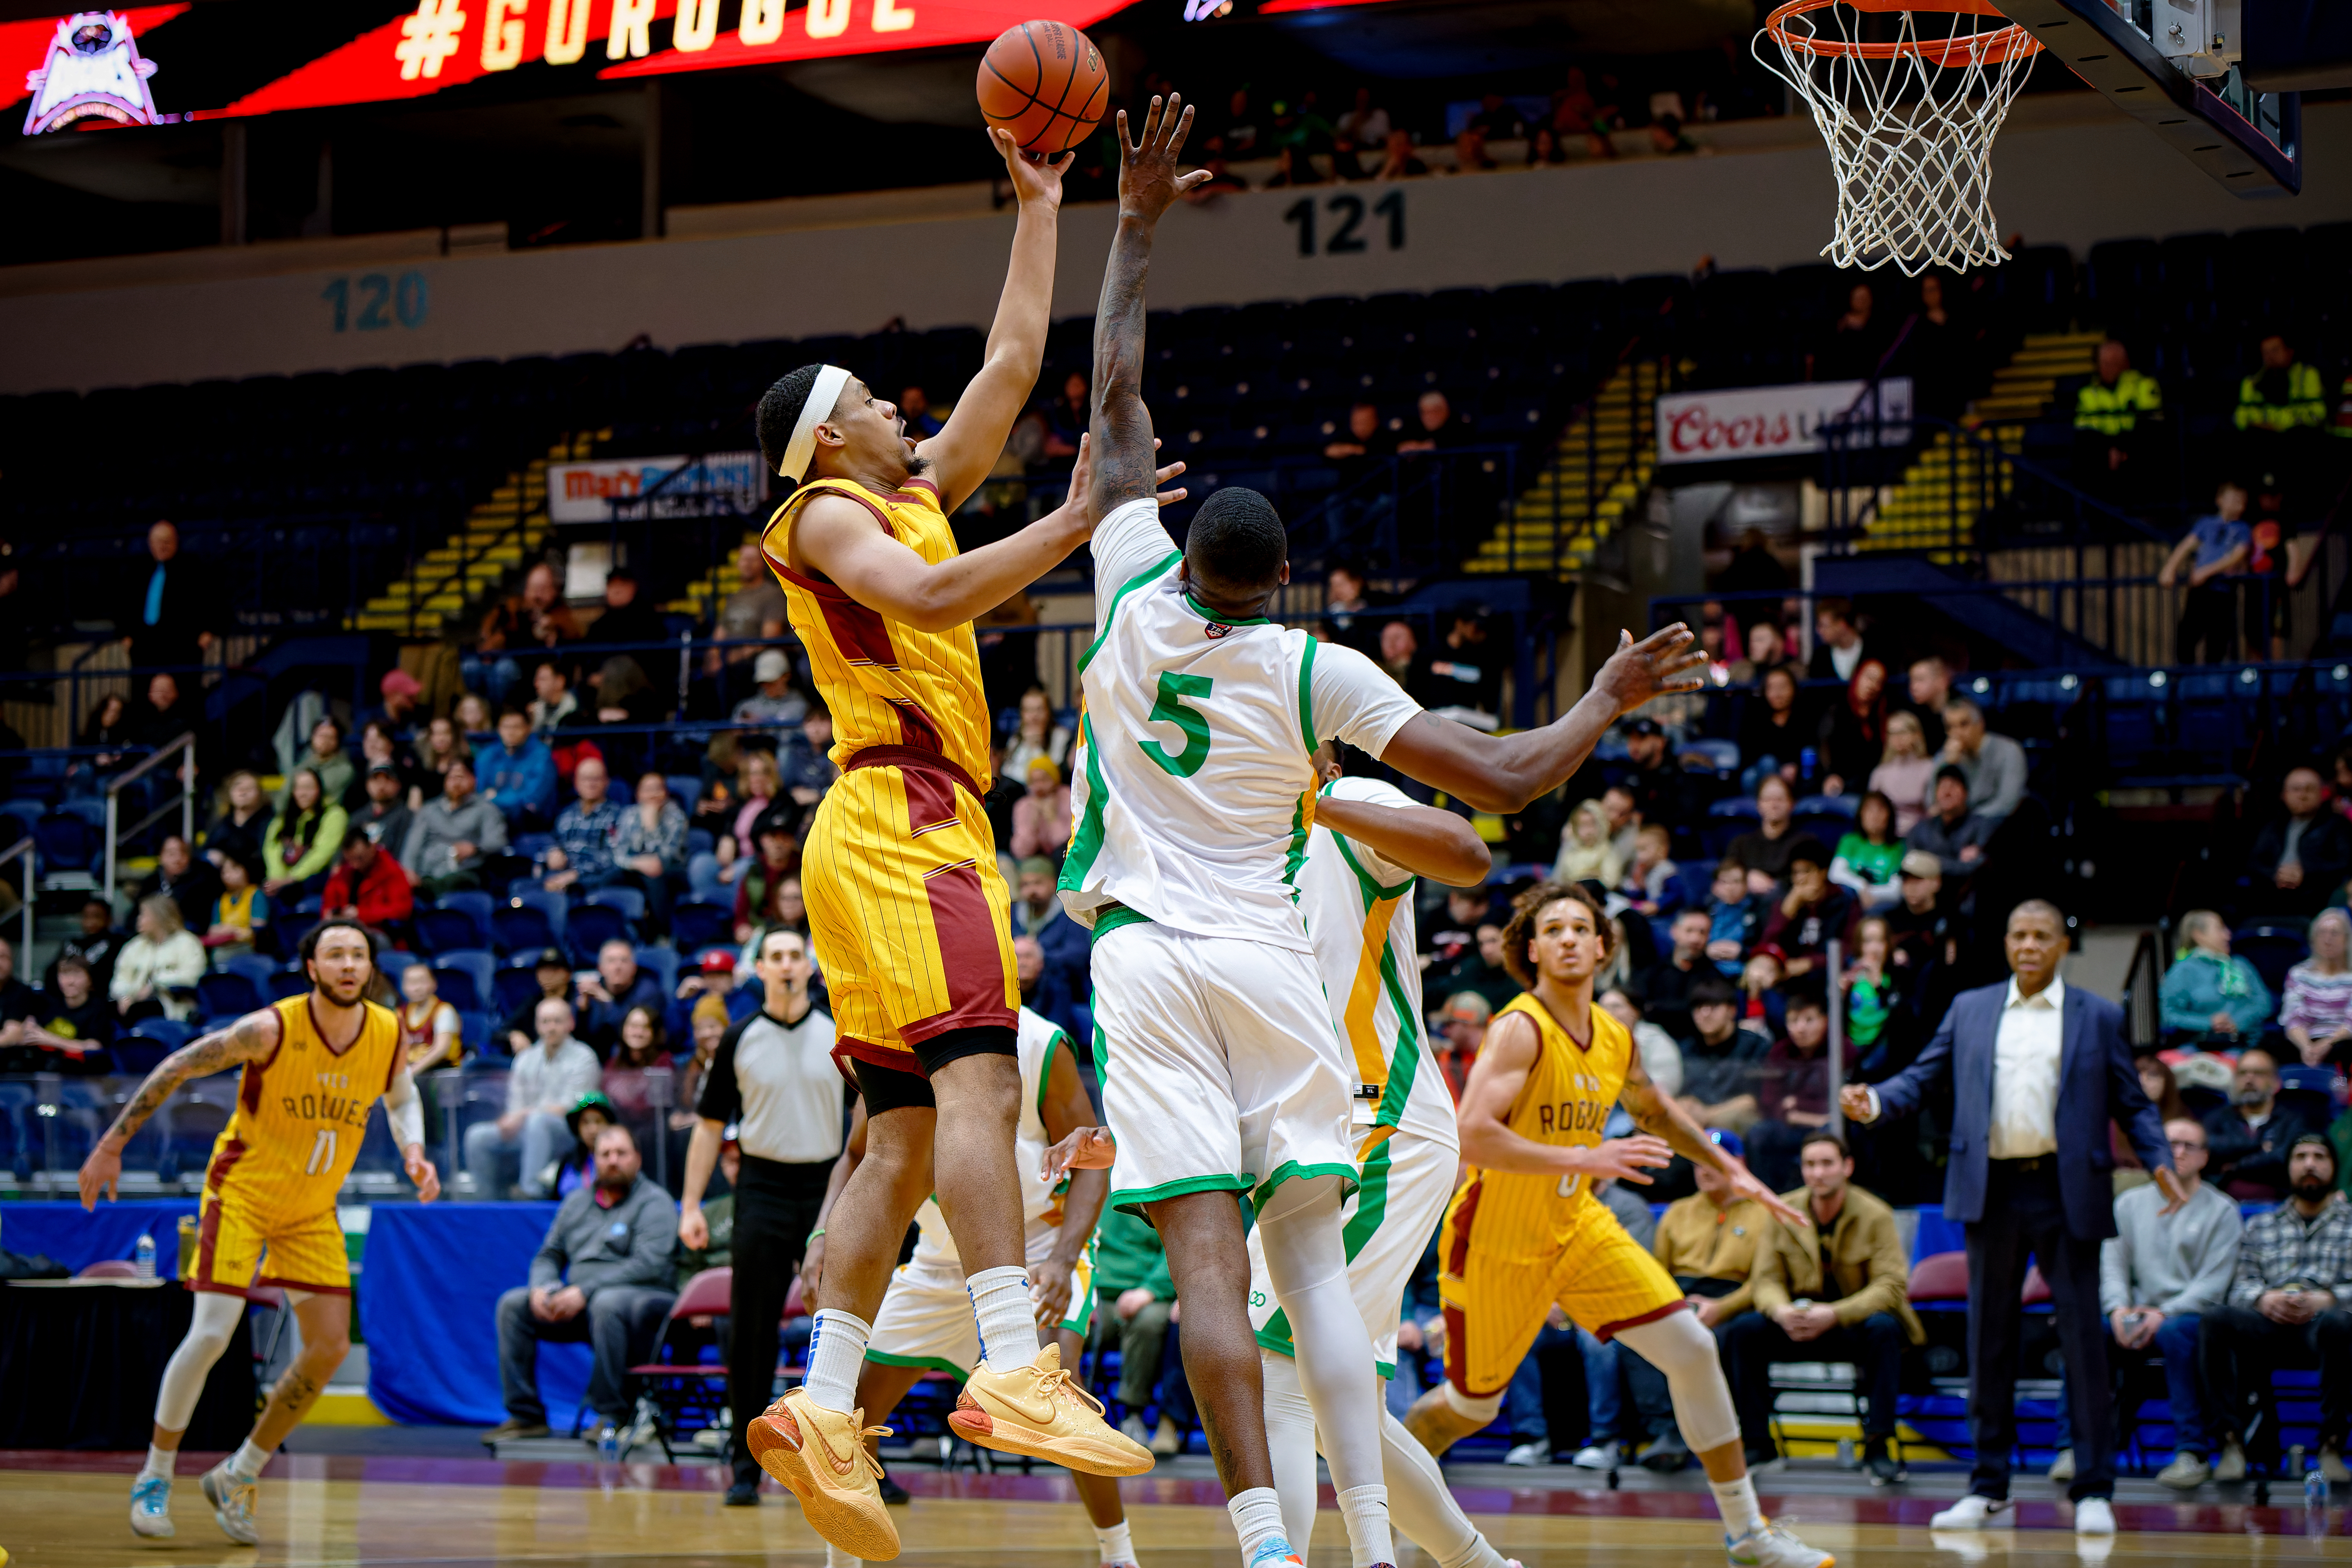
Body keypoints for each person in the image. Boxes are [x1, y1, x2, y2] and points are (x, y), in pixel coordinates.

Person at [1058, 99, 1709, 1568]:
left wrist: (1137, 223)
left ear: (1175, 547)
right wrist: (1601, 693)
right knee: (1314, 1280)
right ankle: (1367, 1541)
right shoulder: (1313, 671)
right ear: (1281, 577)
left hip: (1143, 958)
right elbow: (1501, 781)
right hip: (1267, 961)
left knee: (1210, 1271)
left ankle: (1269, 1553)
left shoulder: (1118, 582)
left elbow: (1111, 400)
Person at [738, 111, 1151, 1555]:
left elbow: (1011, 369)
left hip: (893, 826)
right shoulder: (819, 516)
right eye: (868, 398)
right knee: (981, 1084)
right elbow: (924, 605)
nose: (900, 409)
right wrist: (1077, 523)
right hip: (902, 814)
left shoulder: (908, 492)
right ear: (823, 434)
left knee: (902, 1131)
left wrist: (1038, 199)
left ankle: (827, 1401)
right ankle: (1012, 1366)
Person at [1399, 883, 1827, 1567]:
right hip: (1497, 1237)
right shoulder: (1519, 1027)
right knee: (1471, 1408)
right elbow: (1471, 1136)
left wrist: (1730, 1167)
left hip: (1577, 1223)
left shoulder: (1617, 1036)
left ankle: (1750, 1535)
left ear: (1603, 946)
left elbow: (1654, 1111)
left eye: (1581, 928)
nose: (1569, 938)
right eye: (1554, 929)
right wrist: (1584, 1155)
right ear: (1531, 949)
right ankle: (1391, 1498)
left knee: (1692, 1348)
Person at [78, 921, 435, 1545]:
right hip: (242, 1193)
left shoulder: (387, 1031)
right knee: (214, 1333)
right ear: (313, 969)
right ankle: (155, 1474)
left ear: (370, 966)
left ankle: (240, 1472)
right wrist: (113, 1145)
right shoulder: (271, 1029)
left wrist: (415, 1150)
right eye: (335, 955)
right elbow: (180, 1065)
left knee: (327, 1348)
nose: (349, 964)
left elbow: (402, 1097)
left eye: (359, 954)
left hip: (311, 1207)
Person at [1842, 900, 2180, 1536]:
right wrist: (1878, 1102)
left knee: (2084, 1342)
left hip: (2067, 1188)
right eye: (2019, 934)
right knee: (1987, 1340)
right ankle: (1987, 1487)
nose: (2029, 945)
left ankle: (2093, 1488)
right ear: (2006, 943)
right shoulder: (1971, 1008)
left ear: (2060, 946)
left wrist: (2160, 1159)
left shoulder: (2099, 1015)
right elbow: (1922, 1076)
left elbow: (2133, 1103)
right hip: (1990, 1189)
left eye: (2042, 936)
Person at [827, 1004, 1147, 1565]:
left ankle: (1119, 1554)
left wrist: (1065, 1256)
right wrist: (817, 1240)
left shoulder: (1043, 1044)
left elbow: (1091, 1165)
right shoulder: (894, 1040)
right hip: (939, 1258)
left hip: (1038, 1250)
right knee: (854, 1408)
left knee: (1061, 1396)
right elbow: (857, 1157)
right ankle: (845, 1559)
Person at [673, 928, 844, 1502]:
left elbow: (872, 1117)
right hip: (763, 1188)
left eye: (796, 955)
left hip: (828, 1188)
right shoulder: (740, 1038)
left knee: (846, 1325)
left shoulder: (836, 1032)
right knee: (751, 1332)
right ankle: (746, 1469)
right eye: (777, 958)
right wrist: (692, 1205)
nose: (788, 965)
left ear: (810, 966)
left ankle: (854, 1461)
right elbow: (709, 1127)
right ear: (761, 970)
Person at [2041, 1116, 2241, 1490]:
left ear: (2205, 1157)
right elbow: (2111, 1267)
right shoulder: (2129, 1204)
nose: (2177, 1153)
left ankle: (2191, 1453)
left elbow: (2215, 1283)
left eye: (2188, 1146)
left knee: (2180, 1335)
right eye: (2169, 1145)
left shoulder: (2222, 1210)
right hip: (2133, 1314)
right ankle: (2074, 1448)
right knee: (2084, 1330)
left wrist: (2164, 1313)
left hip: (2187, 1317)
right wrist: (2117, 1309)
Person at [1726, 1132, 1921, 1483]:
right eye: (1810, 1165)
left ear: (1847, 1167)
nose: (1818, 1173)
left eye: (1827, 1164)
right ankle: (1757, 1443)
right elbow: (1766, 1280)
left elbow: (1891, 1286)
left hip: (1850, 1323)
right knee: (1744, 1331)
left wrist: (1835, 1314)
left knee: (1885, 1330)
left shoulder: (1876, 1214)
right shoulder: (1782, 1210)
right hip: (1798, 1322)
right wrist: (1783, 1312)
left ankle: (1879, 1445)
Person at [483, 1124, 678, 1446]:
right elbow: (550, 1254)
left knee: (607, 1303)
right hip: (582, 1304)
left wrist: (584, 1292)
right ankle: (526, 1416)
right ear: (594, 1160)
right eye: (605, 1154)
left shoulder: (655, 1202)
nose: (613, 1161)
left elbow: (649, 1265)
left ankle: (612, 1414)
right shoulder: (576, 1203)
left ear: (638, 1159)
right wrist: (542, 1287)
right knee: (513, 1305)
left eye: (621, 1154)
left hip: (644, 1302)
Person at [2200, 1134, 2352, 1482]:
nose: (2310, 1164)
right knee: (2216, 1320)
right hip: (2270, 1323)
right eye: (2301, 1157)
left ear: (2333, 1168)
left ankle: (2331, 1446)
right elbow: (2239, 1286)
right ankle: (2230, 1442)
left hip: (2324, 1329)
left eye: (2319, 1157)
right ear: (2288, 1169)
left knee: (2340, 1324)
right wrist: (2263, 1299)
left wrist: (2330, 1299)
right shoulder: (2261, 1225)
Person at [464, 998, 602, 1198]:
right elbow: (516, 1104)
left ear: (570, 1023)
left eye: (557, 1021)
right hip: (527, 1129)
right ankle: (487, 1198)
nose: (551, 1028)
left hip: (568, 1131)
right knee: (477, 1136)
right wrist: (511, 1120)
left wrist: (521, 1115)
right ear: (537, 1025)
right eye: (545, 1022)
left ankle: (530, 1192)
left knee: (538, 1123)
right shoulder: (525, 1059)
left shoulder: (585, 1057)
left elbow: (573, 1107)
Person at [1745, 989, 1844, 1191]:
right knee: (1759, 1134)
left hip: (1826, 1128)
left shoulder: (1842, 1050)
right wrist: (1805, 1115)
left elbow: (1839, 1102)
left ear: (1825, 1021)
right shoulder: (1779, 1052)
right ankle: (1764, 1195)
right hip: (1789, 1127)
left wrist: (1797, 1108)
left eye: (1809, 1020)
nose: (1801, 1028)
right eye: (1794, 1021)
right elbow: (1771, 1103)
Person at [2203, 1046, 2318, 1202]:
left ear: (2276, 1083)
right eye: (2243, 1073)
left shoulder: (2292, 1121)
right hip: (2221, 1206)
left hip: (2278, 1207)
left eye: (2259, 1073)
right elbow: (2209, 1149)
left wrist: (2234, 1167)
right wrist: (2256, 1146)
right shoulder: (2218, 1118)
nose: (2249, 1080)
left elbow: (2282, 1159)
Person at [2161, 480, 2254, 665]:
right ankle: (2187, 680)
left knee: (2218, 638)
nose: (2240, 504)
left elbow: (2238, 555)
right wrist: (2169, 568)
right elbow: (2186, 546)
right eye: (2235, 499)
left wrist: (2207, 571)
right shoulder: (2206, 524)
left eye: (2243, 500)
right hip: (2199, 590)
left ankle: (2213, 681)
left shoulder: (2243, 529)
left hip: (2223, 591)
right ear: (2220, 500)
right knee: (2188, 634)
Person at [2249, 766, 2352, 917]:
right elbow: (2253, 862)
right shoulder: (2273, 827)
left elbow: (2346, 862)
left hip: (2318, 898)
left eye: (2309, 789)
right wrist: (2276, 874)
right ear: (2284, 794)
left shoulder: (2337, 825)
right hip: (2272, 896)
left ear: (2321, 794)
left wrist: (2306, 872)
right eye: (2296, 789)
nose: (2302, 795)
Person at [472, 560, 582, 702]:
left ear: (554, 592)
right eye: (533, 589)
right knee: (471, 667)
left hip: (534, 675)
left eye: (543, 589)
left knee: (505, 669)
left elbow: (573, 638)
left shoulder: (562, 616)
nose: (537, 595)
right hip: (510, 668)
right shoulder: (514, 611)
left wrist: (553, 628)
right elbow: (491, 638)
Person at [2159, 909, 2273, 1046]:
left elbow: (2263, 1003)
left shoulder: (2241, 965)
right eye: (2220, 929)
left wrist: (2236, 1022)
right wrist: (2209, 1023)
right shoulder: (2183, 971)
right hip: (2198, 1048)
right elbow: (2170, 1015)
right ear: (2199, 935)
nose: (2228, 935)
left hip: (2245, 1045)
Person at [400, 755, 509, 898]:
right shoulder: (429, 810)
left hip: (465, 872)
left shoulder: (486, 810)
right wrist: (408, 872)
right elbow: (412, 847)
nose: (456, 783)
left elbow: (498, 842)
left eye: (461, 777)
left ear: (474, 780)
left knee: (458, 883)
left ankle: (428, 892)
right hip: (427, 872)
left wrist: (475, 848)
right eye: (452, 778)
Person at [120, 519, 218, 671]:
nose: (163, 546)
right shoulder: (137, 572)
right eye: (158, 542)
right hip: (145, 647)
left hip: (183, 647)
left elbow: (210, 601)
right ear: (150, 543)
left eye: (167, 542)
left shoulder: (194, 570)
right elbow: (125, 605)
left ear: (176, 542)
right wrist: (126, 636)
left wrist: (208, 632)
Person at [2073, 339, 2161, 499]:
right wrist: (2109, 450)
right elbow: (2085, 432)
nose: (2108, 368)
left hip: (2137, 454)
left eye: (2114, 362)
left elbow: (2151, 426)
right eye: (2104, 363)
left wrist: (2123, 449)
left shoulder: (2144, 384)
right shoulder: (2087, 393)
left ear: (2126, 363)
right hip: (2103, 458)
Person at [1759, 842, 1854, 981]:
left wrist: (1811, 963)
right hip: (1787, 977)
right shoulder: (1785, 901)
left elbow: (1849, 948)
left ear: (1823, 872)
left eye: (1807, 871)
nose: (1801, 879)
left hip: (1829, 976)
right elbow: (1768, 946)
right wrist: (1786, 914)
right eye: (1796, 873)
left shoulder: (1844, 901)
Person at [111, 894, 205, 1024]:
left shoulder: (187, 943)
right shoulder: (135, 946)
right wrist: (125, 996)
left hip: (172, 1005)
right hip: (135, 1002)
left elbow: (191, 977)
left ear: (159, 917)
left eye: (143, 915)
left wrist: (155, 986)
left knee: (139, 1011)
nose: (139, 920)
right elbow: (121, 978)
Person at [544, 756, 625, 894]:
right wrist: (553, 853)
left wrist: (576, 875)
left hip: (595, 879)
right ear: (576, 783)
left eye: (596, 779)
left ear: (607, 782)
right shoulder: (566, 814)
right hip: (563, 874)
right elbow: (554, 842)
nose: (591, 784)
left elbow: (615, 858)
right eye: (585, 779)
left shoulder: (618, 816)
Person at [1013, 855, 1090, 1000]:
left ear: (1053, 883)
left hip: (1061, 995)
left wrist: (1038, 957)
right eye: (1026, 885)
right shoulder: (1011, 913)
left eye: (1038, 883)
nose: (1032, 890)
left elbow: (1078, 954)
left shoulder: (1070, 914)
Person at [262, 766, 346, 899]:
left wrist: (292, 878)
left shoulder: (334, 815)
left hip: (315, 879)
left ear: (319, 789)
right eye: (299, 788)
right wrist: (277, 879)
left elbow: (322, 853)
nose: (303, 794)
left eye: (309, 788)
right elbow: (271, 849)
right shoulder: (282, 819)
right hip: (282, 881)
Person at [2284, 907, 2352, 1067]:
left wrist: (2327, 1045)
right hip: (2305, 1040)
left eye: (2335, 933)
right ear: (2313, 940)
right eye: (2322, 933)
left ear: (2347, 939)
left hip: (2342, 1040)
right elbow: (2294, 1018)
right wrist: (2307, 1047)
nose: (2328, 939)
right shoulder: (2298, 974)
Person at [1939, 700, 2026, 824]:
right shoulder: (1947, 755)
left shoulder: (2008, 750)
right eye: (1950, 727)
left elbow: (2008, 802)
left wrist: (1969, 821)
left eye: (1964, 725)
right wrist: (1947, 765)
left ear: (1980, 724)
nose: (1956, 733)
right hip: (1959, 826)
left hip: (2000, 825)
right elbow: (1932, 803)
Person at [576, 939, 664, 1059]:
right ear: (601, 969)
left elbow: (634, 1034)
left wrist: (608, 1002)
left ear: (634, 968)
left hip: (638, 1058)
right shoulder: (593, 990)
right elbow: (585, 1037)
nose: (618, 967)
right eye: (611, 961)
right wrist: (583, 1012)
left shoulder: (650, 992)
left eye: (624, 961)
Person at [1906, 766, 1991, 885]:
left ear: (1966, 793)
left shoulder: (1981, 826)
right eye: (1942, 787)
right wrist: (1955, 863)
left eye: (1953, 786)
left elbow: (1979, 867)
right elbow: (1910, 865)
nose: (1947, 793)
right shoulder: (1922, 829)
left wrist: (1930, 862)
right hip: (1929, 894)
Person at [1726, 777, 1806, 897]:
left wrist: (1773, 885)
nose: (1774, 805)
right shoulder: (1741, 844)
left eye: (1780, 800)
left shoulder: (1805, 844)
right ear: (1759, 805)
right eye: (1768, 800)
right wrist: (1746, 877)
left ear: (1791, 804)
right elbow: (1726, 874)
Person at [1817, 659, 1886, 796]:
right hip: (1837, 781)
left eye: (1879, 682)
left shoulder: (1881, 718)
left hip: (1868, 783)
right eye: (1869, 678)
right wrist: (1830, 775)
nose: (1872, 685)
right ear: (1858, 677)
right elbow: (1824, 744)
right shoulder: (1838, 711)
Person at [321, 830, 413, 935]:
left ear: (372, 848)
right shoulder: (345, 871)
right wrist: (331, 913)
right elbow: (330, 900)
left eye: (360, 858)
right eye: (351, 860)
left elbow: (403, 910)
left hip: (379, 932)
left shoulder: (390, 870)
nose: (356, 865)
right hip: (344, 930)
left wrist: (361, 913)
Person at [481, 707, 558, 829]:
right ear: (499, 730)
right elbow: (481, 793)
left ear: (528, 729)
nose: (511, 732)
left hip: (530, 824)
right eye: (506, 727)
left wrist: (496, 797)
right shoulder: (488, 755)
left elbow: (532, 802)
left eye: (517, 727)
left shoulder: (541, 755)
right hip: (492, 819)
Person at [716, 541, 790, 664]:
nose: (747, 564)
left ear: (762, 563)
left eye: (752, 560)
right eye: (744, 559)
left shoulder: (773, 594)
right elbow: (719, 635)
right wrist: (714, 657)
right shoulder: (734, 597)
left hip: (752, 662)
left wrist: (731, 659)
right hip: (726, 663)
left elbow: (768, 640)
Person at [1830, 791, 1904, 911]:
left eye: (1880, 810)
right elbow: (1835, 874)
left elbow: (1896, 890)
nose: (1874, 816)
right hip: (1850, 899)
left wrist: (1871, 894)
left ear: (1890, 815)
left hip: (1882, 905)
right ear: (1861, 814)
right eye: (1869, 810)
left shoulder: (1899, 848)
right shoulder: (1850, 841)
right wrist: (1861, 886)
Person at [1869, 711, 1936, 836]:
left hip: (1920, 835)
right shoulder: (1881, 773)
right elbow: (1872, 810)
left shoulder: (1929, 768)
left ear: (1917, 735)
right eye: (1892, 733)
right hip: (1886, 836)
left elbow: (1934, 809)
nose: (1898, 738)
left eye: (1903, 732)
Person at [140, 833, 219, 935]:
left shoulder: (202, 880)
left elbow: (199, 919)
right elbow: (137, 914)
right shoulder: (151, 882)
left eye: (183, 853)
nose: (177, 859)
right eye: (171, 854)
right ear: (161, 857)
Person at [1703, 860, 1768, 979]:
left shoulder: (1758, 909)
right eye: (1724, 882)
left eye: (1736, 882)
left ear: (1746, 885)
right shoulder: (1708, 908)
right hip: (1709, 967)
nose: (1730, 888)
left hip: (1746, 967)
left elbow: (1766, 945)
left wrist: (1743, 952)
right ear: (1716, 886)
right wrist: (1705, 950)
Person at [397, 961, 463, 1073]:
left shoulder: (444, 1010)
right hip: (411, 1070)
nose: (417, 988)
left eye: (422, 982)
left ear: (434, 984)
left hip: (443, 1071)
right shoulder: (400, 1013)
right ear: (403, 987)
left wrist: (411, 1072)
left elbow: (441, 1049)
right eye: (412, 983)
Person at [205, 769, 273, 874]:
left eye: (249, 789)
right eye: (238, 788)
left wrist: (232, 863)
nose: (243, 792)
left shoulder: (269, 821)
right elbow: (207, 848)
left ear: (260, 793)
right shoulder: (224, 822)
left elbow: (263, 858)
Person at [202, 853, 268, 960]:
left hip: (248, 946)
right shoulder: (222, 899)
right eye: (224, 872)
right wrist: (229, 931)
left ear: (246, 870)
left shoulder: (256, 895)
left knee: (221, 956)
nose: (228, 875)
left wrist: (232, 931)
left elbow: (258, 927)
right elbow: (213, 930)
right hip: (224, 945)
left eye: (234, 870)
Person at [1010, 756, 1073, 864]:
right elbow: (1020, 852)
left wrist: (1052, 817)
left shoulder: (1068, 797)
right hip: (1037, 859)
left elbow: (1067, 843)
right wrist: (1033, 822)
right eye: (1034, 782)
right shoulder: (1023, 806)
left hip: (1064, 857)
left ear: (1054, 779)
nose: (1039, 787)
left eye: (1044, 780)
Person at [350, 761, 415, 856]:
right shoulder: (357, 818)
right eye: (376, 779)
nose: (381, 785)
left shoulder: (407, 817)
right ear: (367, 785)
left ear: (398, 785)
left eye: (388, 779)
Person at [1554, 798, 1622, 887]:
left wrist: (1592, 878)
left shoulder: (1606, 850)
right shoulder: (1571, 848)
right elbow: (1558, 876)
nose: (1589, 831)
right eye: (1583, 826)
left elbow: (1611, 882)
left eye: (1593, 825)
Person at [732, 649, 809, 726]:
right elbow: (733, 733)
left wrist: (761, 724)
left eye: (771, 682)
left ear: (786, 676)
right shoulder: (747, 707)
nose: (766, 686)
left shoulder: (800, 707)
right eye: (763, 682)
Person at [1806, 599, 1867, 684]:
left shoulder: (1873, 650)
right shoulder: (1820, 656)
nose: (1819, 630)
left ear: (1842, 625)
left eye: (1823, 625)